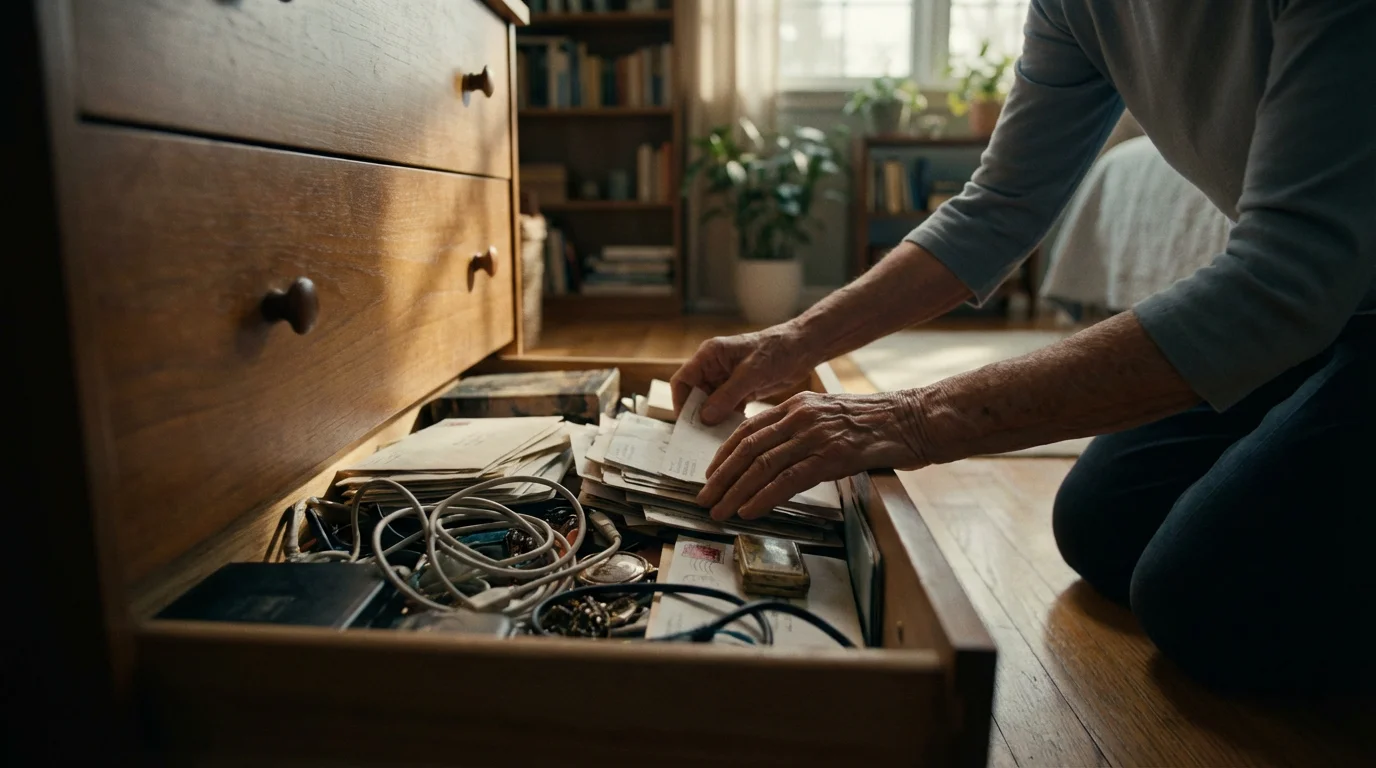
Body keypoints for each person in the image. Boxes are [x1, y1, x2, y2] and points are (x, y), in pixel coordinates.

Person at [672, 0, 1374, 696]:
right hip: (1334, 309)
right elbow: (999, 206)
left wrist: (911, 417)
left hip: (1334, 299)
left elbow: (1284, 278)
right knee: (1101, 524)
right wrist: (792, 342)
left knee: (1198, 601)